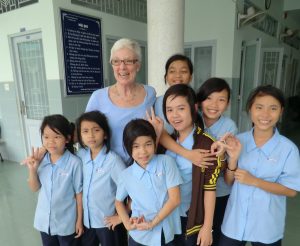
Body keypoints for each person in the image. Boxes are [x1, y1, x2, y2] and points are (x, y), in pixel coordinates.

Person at [219, 85, 300, 246]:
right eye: (259, 107)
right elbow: (229, 182)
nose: (265, 114)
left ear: (281, 111)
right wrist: (233, 160)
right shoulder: (238, 141)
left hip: (266, 225)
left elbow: (291, 191)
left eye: (273, 108)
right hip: (235, 221)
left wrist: (255, 181)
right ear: (250, 109)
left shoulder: (288, 149)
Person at [163, 84, 222, 246]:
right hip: (166, 216)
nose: (174, 115)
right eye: (169, 110)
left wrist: (207, 227)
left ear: (194, 108)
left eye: (181, 108)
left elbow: (209, 188)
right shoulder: (167, 141)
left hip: (190, 219)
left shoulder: (206, 144)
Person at [86, 38, 156, 164]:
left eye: (129, 61)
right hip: (108, 168)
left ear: (138, 65)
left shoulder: (150, 93)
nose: (122, 67)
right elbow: (86, 134)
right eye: (116, 61)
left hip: (142, 166)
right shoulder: (98, 97)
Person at [115, 119, 182, 246]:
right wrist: (127, 223)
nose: (143, 151)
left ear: (155, 143)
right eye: (136, 146)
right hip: (138, 236)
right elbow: (118, 202)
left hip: (164, 232)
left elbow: (175, 199)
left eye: (148, 144)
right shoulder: (126, 175)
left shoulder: (167, 162)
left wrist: (152, 223)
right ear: (128, 147)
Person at [23, 114, 83, 246]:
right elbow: (34, 188)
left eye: (57, 137)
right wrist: (32, 169)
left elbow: (79, 194)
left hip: (67, 223)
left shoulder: (74, 163)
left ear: (67, 138)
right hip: (45, 222)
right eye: (46, 137)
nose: (51, 141)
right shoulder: (42, 160)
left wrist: (79, 221)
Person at [196, 77, 238, 245]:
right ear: (200, 100)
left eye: (221, 100)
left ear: (227, 104)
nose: (214, 105)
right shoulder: (192, 119)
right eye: (209, 98)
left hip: (219, 192)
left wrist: (219, 157)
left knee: (213, 234)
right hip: (194, 192)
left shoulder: (229, 127)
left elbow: (226, 165)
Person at [76, 111, 126, 246]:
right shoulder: (80, 156)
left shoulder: (113, 160)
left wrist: (122, 216)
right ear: (80, 135)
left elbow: (131, 188)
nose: (91, 135)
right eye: (85, 131)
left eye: (96, 130)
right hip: (87, 223)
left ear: (105, 134)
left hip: (108, 223)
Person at [155, 54, 193, 134]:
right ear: (166, 77)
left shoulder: (195, 100)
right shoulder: (157, 102)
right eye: (172, 71)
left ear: (190, 77)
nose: (178, 75)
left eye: (183, 71)